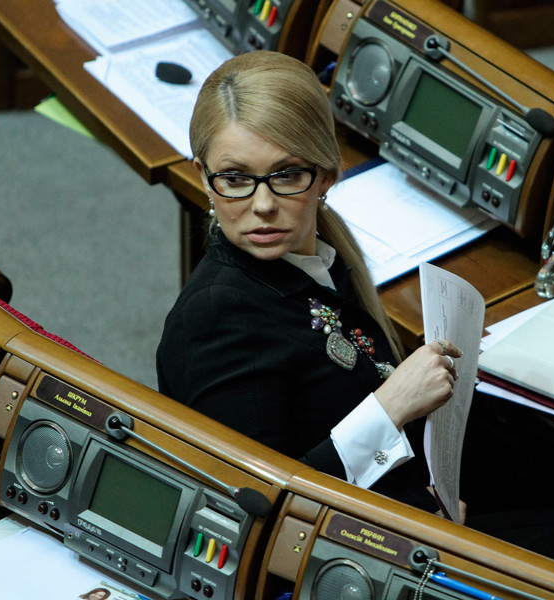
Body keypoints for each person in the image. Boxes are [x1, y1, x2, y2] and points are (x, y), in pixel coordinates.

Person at [156, 50, 462, 514]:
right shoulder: (213, 319)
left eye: (286, 175)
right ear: (204, 177)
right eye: (235, 178)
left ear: (326, 177)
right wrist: (392, 407)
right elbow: (253, 509)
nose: (262, 204)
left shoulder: (318, 258)